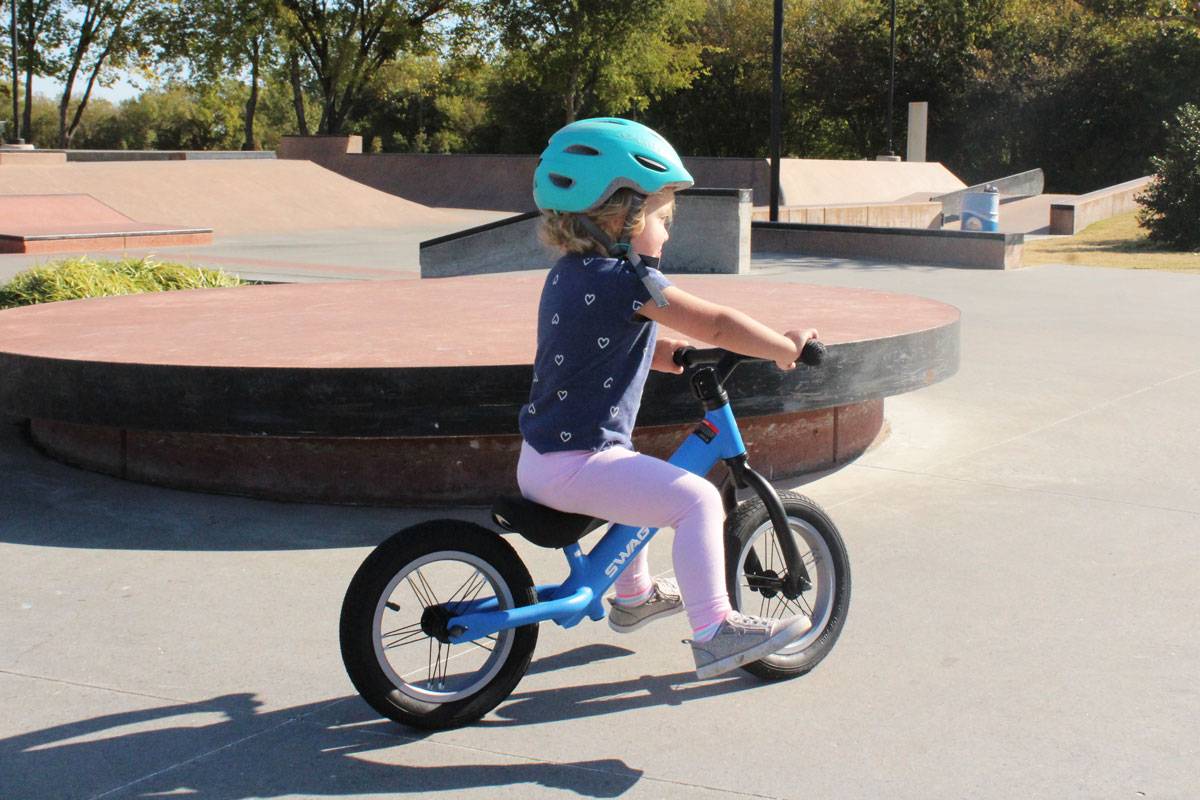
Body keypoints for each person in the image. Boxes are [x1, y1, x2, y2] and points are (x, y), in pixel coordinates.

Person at [517, 117, 818, 680]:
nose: (667, 234)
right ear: (621, 217)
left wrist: (672, 355)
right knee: (696, 500)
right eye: (662, 218)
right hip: (578, 463)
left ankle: (633, 596)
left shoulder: (570, 274)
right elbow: (719, 323)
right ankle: (715, 632)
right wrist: (784, 347)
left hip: (542, 460)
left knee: (638, 478)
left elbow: (601, 342)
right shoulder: (628, 282)